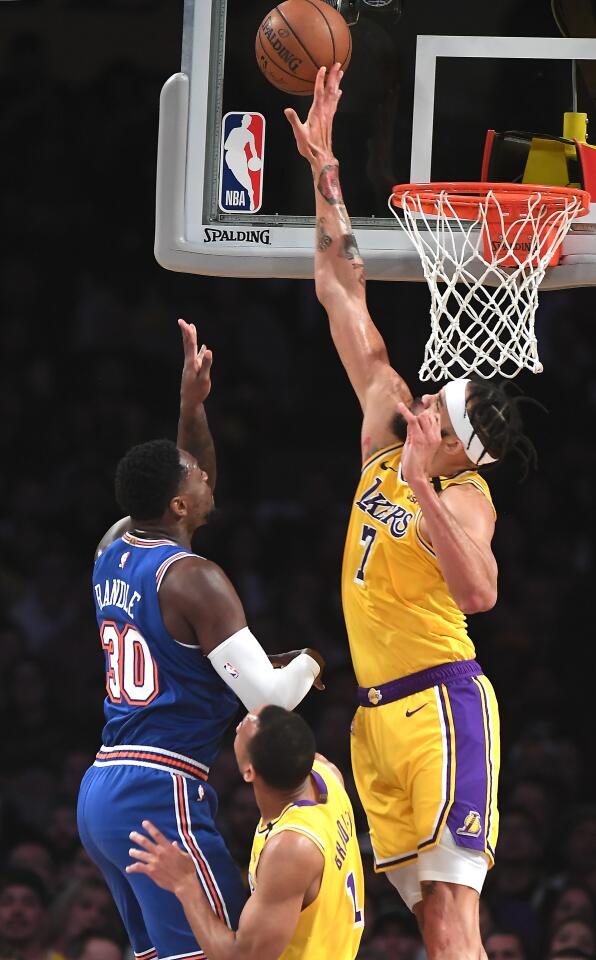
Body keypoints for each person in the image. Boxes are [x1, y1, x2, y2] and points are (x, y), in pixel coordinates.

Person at [285, 64, 536, 958]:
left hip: (443, 703)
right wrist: (325, 168)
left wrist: (426, 487)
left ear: (464, 449)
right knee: (426, 923)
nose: (426, 405)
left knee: (454, 921)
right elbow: (339, 286)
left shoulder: (466, 496)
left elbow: (481, 595)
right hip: (377, 715)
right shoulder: (385, 425)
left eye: (444, 415)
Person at [77, 321, 325, 959]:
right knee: (229, 952)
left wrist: (193, 407)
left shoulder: (112, 550)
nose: (208, 478)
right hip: (161, 791)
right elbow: (269, 700)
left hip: (104, 789)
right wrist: (311, 658)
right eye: (196, 478)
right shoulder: (198, 581)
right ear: (180, 507)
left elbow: (188, 657)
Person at [126, 704, 364, 960]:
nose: (241, 723)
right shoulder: (326, 772)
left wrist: (186, 885)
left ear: (249, 771)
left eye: (245, 727)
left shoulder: (290, 849)